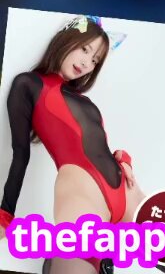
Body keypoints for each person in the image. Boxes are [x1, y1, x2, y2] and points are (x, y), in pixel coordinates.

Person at [3, 17, 149, 274]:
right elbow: (20, 154)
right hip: (83, 194)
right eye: (85, 49)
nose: (86, 63)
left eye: (95, 60)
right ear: (66, 40)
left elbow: (98, 145)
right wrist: (5, 214)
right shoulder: (28, 84)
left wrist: (123, 158)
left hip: (126, 192)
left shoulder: (85, 101)